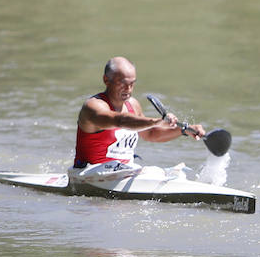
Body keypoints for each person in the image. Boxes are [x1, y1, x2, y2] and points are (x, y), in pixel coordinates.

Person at [72, 56, 205, 177]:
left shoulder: (133, 105)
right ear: (106, 80)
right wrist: (156, 121)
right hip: (90, 173)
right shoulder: (93, 107)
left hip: (124, 171)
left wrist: (183, 130)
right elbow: (120, 120)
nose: (128, 89)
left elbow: (151, 134)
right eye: (122, 83)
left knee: (178, 174)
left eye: (132, 84)